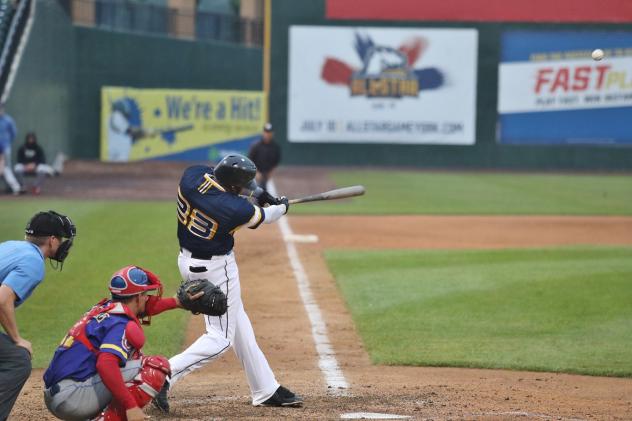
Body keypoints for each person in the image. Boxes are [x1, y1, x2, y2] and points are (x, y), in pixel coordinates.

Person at [153, 154, 302, 413]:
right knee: (220, 338)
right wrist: (281, 207)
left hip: (187, 261)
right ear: (233, 187)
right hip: (216, 269)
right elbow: (264, 217)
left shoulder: (192, 175)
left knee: (238, 324)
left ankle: (265, 388)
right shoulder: (234, 209)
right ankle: (162, 374)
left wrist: (260, 193)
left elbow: (229, 185)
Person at [43, 265, 187, 421]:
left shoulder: (104, 309)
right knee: (155, 366)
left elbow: (145, 308)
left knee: (129, 357)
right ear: (138, 297)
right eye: (146, 294)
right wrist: (130, 406)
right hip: (72, 398)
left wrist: (176, 302)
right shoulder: (120, 323)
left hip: (60, 394)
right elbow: (105, 364)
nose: (148, 298)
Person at [0, 210, 76, 421]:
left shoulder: (10, 246)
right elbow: (2, 299)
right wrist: (17, 338)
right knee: (17, 359)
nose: (61, 244)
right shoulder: (34, 261)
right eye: (60, 239)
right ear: (52, 240)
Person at [248, 122, 281, 192]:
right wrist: (256, 173)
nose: (267, 134)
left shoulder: (275, 147)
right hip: (256, 175)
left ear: (272, 133)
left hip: (268, 175)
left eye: (269, 132)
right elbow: (250, 160)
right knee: (255, 195)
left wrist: (271, 172)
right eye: (266, 132)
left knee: (273, 196)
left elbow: (276, 162)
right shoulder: (255, 146)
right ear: (263, 133)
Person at [0, 102, 22, 195]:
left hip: (5, 148)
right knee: (4, 169)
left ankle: (12, 187)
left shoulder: (8, 120)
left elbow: (13, 133)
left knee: (6, 169)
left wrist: (7, 143)